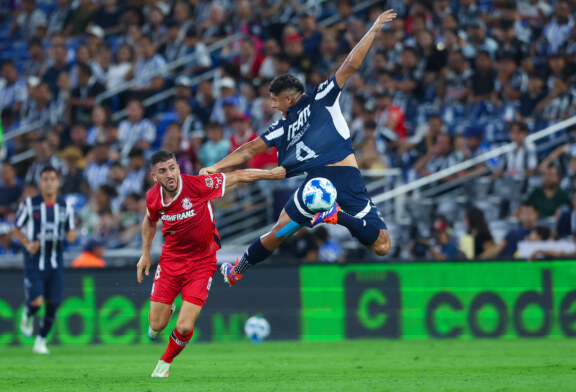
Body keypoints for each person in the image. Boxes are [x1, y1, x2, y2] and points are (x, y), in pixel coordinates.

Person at [200, 10, 397, 286]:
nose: (272, 105)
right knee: (383, 245)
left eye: (275, 100)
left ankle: (238, 268)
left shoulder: (286, 124)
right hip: (346, 181)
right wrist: (374, 28)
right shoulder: (323, 97)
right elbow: (350, 65)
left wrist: (216, 167)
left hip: (314, 188)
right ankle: (336, 216)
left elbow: (247, 151)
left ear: (289, 99)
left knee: (279, 232)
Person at [136, 150, 285, 377]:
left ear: (178, 167)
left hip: (202, 262)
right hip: (170, 262)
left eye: (172, 167)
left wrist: (272, 174)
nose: (170, 174)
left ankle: (164, 363)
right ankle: (165, 313)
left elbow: (238, 176)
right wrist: (145, 254)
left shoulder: (197, 185)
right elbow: (150, 220)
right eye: (163, 171)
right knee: (155, 326)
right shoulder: (153, 197)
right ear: (154, 176)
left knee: (185, 326)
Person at [12, 166, 76, 354]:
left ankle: (40, 341)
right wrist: (27, 243)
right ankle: (28, 314)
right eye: (45, 179)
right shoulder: (30, 205)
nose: (49, 183)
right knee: (36, 301)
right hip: (34, 260)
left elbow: (70, 231)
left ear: (57, 182)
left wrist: (72, 235)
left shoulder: (65, 206)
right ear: (40, 183)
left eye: (52, 179)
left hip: (55, 261)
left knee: (53, 303)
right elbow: (16, 228)